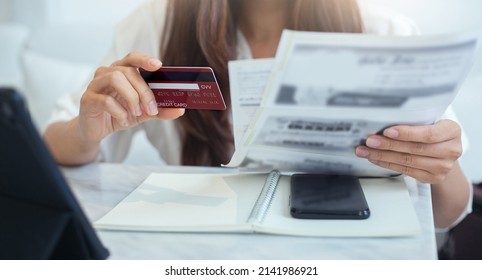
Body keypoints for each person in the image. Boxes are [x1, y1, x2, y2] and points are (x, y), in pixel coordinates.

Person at [44, 0, 471, 231]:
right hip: (195, 249)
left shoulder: (383, 30)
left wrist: (437, 164)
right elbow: (58, 150)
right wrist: (86, 128)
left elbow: (446, 213)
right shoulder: (156, 23)